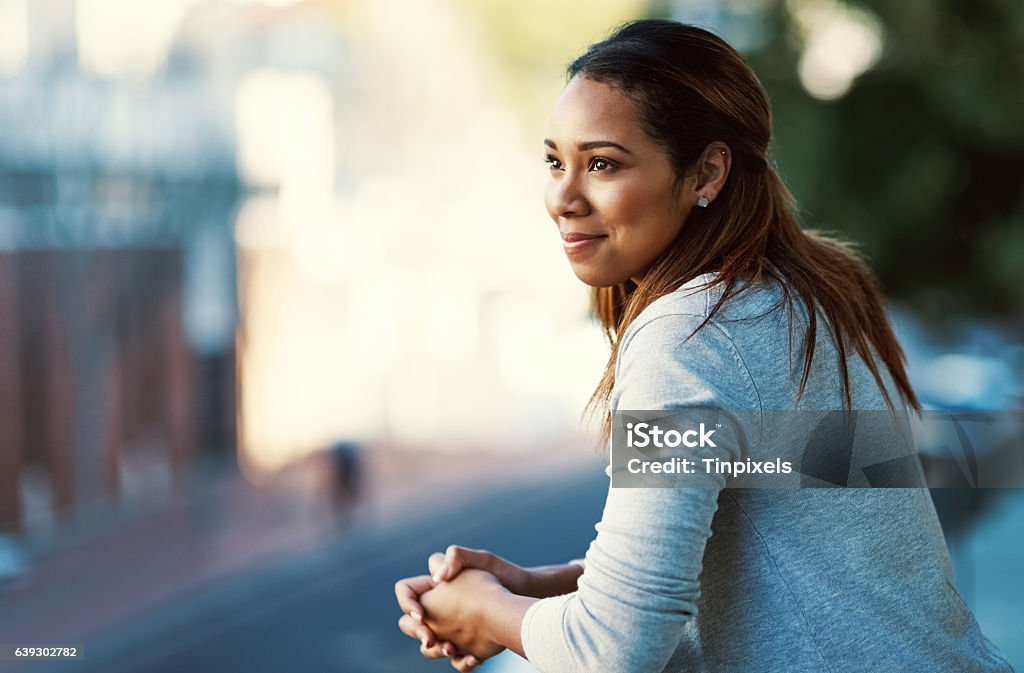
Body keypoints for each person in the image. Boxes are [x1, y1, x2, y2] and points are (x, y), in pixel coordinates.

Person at [393, 19, 1015, 673]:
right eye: (555, 161)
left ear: (706, 172)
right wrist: (542, 586)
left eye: (602, 163)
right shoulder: (807, 293)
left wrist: (485, 610)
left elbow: (612, 651)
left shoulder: (687, 343)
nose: (563, 198)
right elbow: (779, 526)